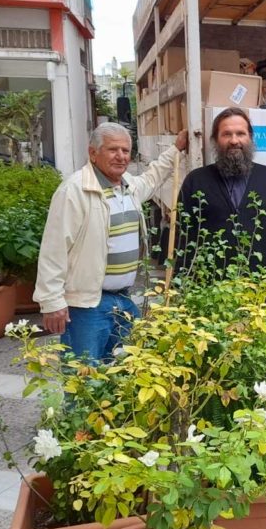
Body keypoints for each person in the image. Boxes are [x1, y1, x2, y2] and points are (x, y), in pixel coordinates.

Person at [34, 122, 188, 361]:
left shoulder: (128, 186)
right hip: (87, 306)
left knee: (125, 371)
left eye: (125, 150)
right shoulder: (74, 191)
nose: (121, 156)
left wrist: (176, 149)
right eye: (113, 149)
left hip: (123, 299)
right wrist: (51, 302)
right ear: (93, 153)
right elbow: (53, 250)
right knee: (84, 375)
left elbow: (152, 177)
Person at [177, 108, 266, 269]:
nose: (234, 140)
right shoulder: (196, 181)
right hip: (211, 282)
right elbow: (183, 237)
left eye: (240, 133)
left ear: (250, 137)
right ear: (215, 140)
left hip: (264, 282)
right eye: (226, 134)